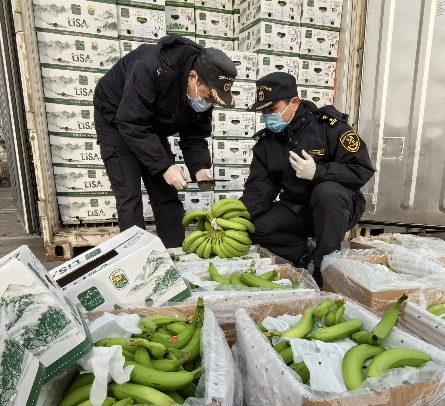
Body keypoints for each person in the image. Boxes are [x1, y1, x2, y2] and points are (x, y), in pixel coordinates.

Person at [93, 36, 237, 247]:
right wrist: (164, 165)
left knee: (166, 193)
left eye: (213, 101)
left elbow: (195, 135)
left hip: (151, 120)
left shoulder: (205, 93)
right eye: (207, 97)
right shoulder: (151, 67)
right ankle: (138, 260)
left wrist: (200, 168)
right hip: (116, 117)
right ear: (193, 77)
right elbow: (131, 121)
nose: (208, 103)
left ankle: (176, 252)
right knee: (129, 195)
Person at [241, 72, 375, 287]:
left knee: (327, 191)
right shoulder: (267, 142)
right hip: (298, 208)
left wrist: (319, 173)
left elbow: (361, 170)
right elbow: (259, 187)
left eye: (272, 110)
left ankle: (325, 274)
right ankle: (302, 253)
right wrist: (237, 217)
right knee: (255, 227)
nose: (268, 117)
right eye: (264, 112)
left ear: (294, 102)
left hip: (338, 208)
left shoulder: (330, 128)